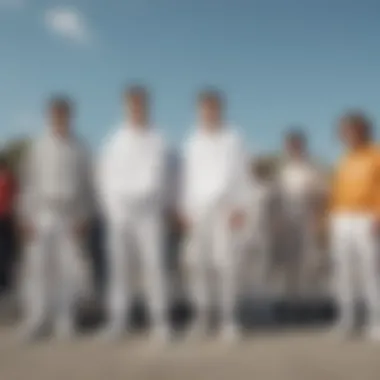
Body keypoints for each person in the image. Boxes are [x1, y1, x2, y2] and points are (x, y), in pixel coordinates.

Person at [97, 85, 170, 342]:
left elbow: (164, 176)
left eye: (141, 104)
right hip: (120, 213)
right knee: (119, 269)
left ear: (147, 106)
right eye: (132, 104)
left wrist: (157, 204)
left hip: (149, 212)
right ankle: (119, 321)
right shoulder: (115, 139)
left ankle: (160, 322)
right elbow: (104, 177)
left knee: (154, 267)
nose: (137, 108)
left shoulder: (158, 138)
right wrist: (112, 208)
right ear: (126, 106)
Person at [18, 97, 93, 340]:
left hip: (70, 214)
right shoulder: (38, 146)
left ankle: (65, 320)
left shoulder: (80, 147)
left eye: (64, 114)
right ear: (49, 116)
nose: (60, 118)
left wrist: (84, 216)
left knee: (68, 270)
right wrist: (25, 216)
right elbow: (28, 183)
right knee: (39, 269)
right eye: (55, 114)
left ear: (70, 116)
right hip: (42, 213)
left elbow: (87, 185)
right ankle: (37, 318)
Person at [179, 90, 250, 341]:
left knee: (226, 266)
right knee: (198, 265)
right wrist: (184, 209)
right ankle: (202, 317)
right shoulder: (192, 140)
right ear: (199, 110)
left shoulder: (234, 138)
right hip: (198, 211)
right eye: (204, 108)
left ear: (221, 109)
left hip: (225, 210)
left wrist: (240, 207)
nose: (209, 112)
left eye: (214, 108)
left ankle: (228, 320)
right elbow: (186, 178)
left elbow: (243, 173)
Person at [329, 112, 380, 339]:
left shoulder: (376, 155)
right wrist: (330, 221)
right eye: (344, 131)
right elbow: (336, 192)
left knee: (371, 272)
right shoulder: (344, 159)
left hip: (366, 218)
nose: (348, 135)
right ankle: (347, 320)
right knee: (343, 273)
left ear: (364, 130)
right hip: (341, 220)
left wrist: (378, 216)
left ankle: (376, 322)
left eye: (352, 130)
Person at [277, 130, 326, 297]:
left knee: (310, 261)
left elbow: (320, 196)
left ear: (302, 146)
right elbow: (278, 198)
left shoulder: (312, 168)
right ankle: (290, 299)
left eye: (296, 145)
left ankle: (311, 300)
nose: (293, 148)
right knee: (289, 262)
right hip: (288, 222)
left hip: (307, 219)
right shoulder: (284, 170)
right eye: (290, 145)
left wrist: (316, 221)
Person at [0, 156, 17, 293]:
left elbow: (15, 197)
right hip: (5, 218)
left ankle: (5, 282)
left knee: (6, 251)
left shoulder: (10, 179)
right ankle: (4, 282)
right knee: (5, 250)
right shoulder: (9, 178)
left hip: (6, 218)